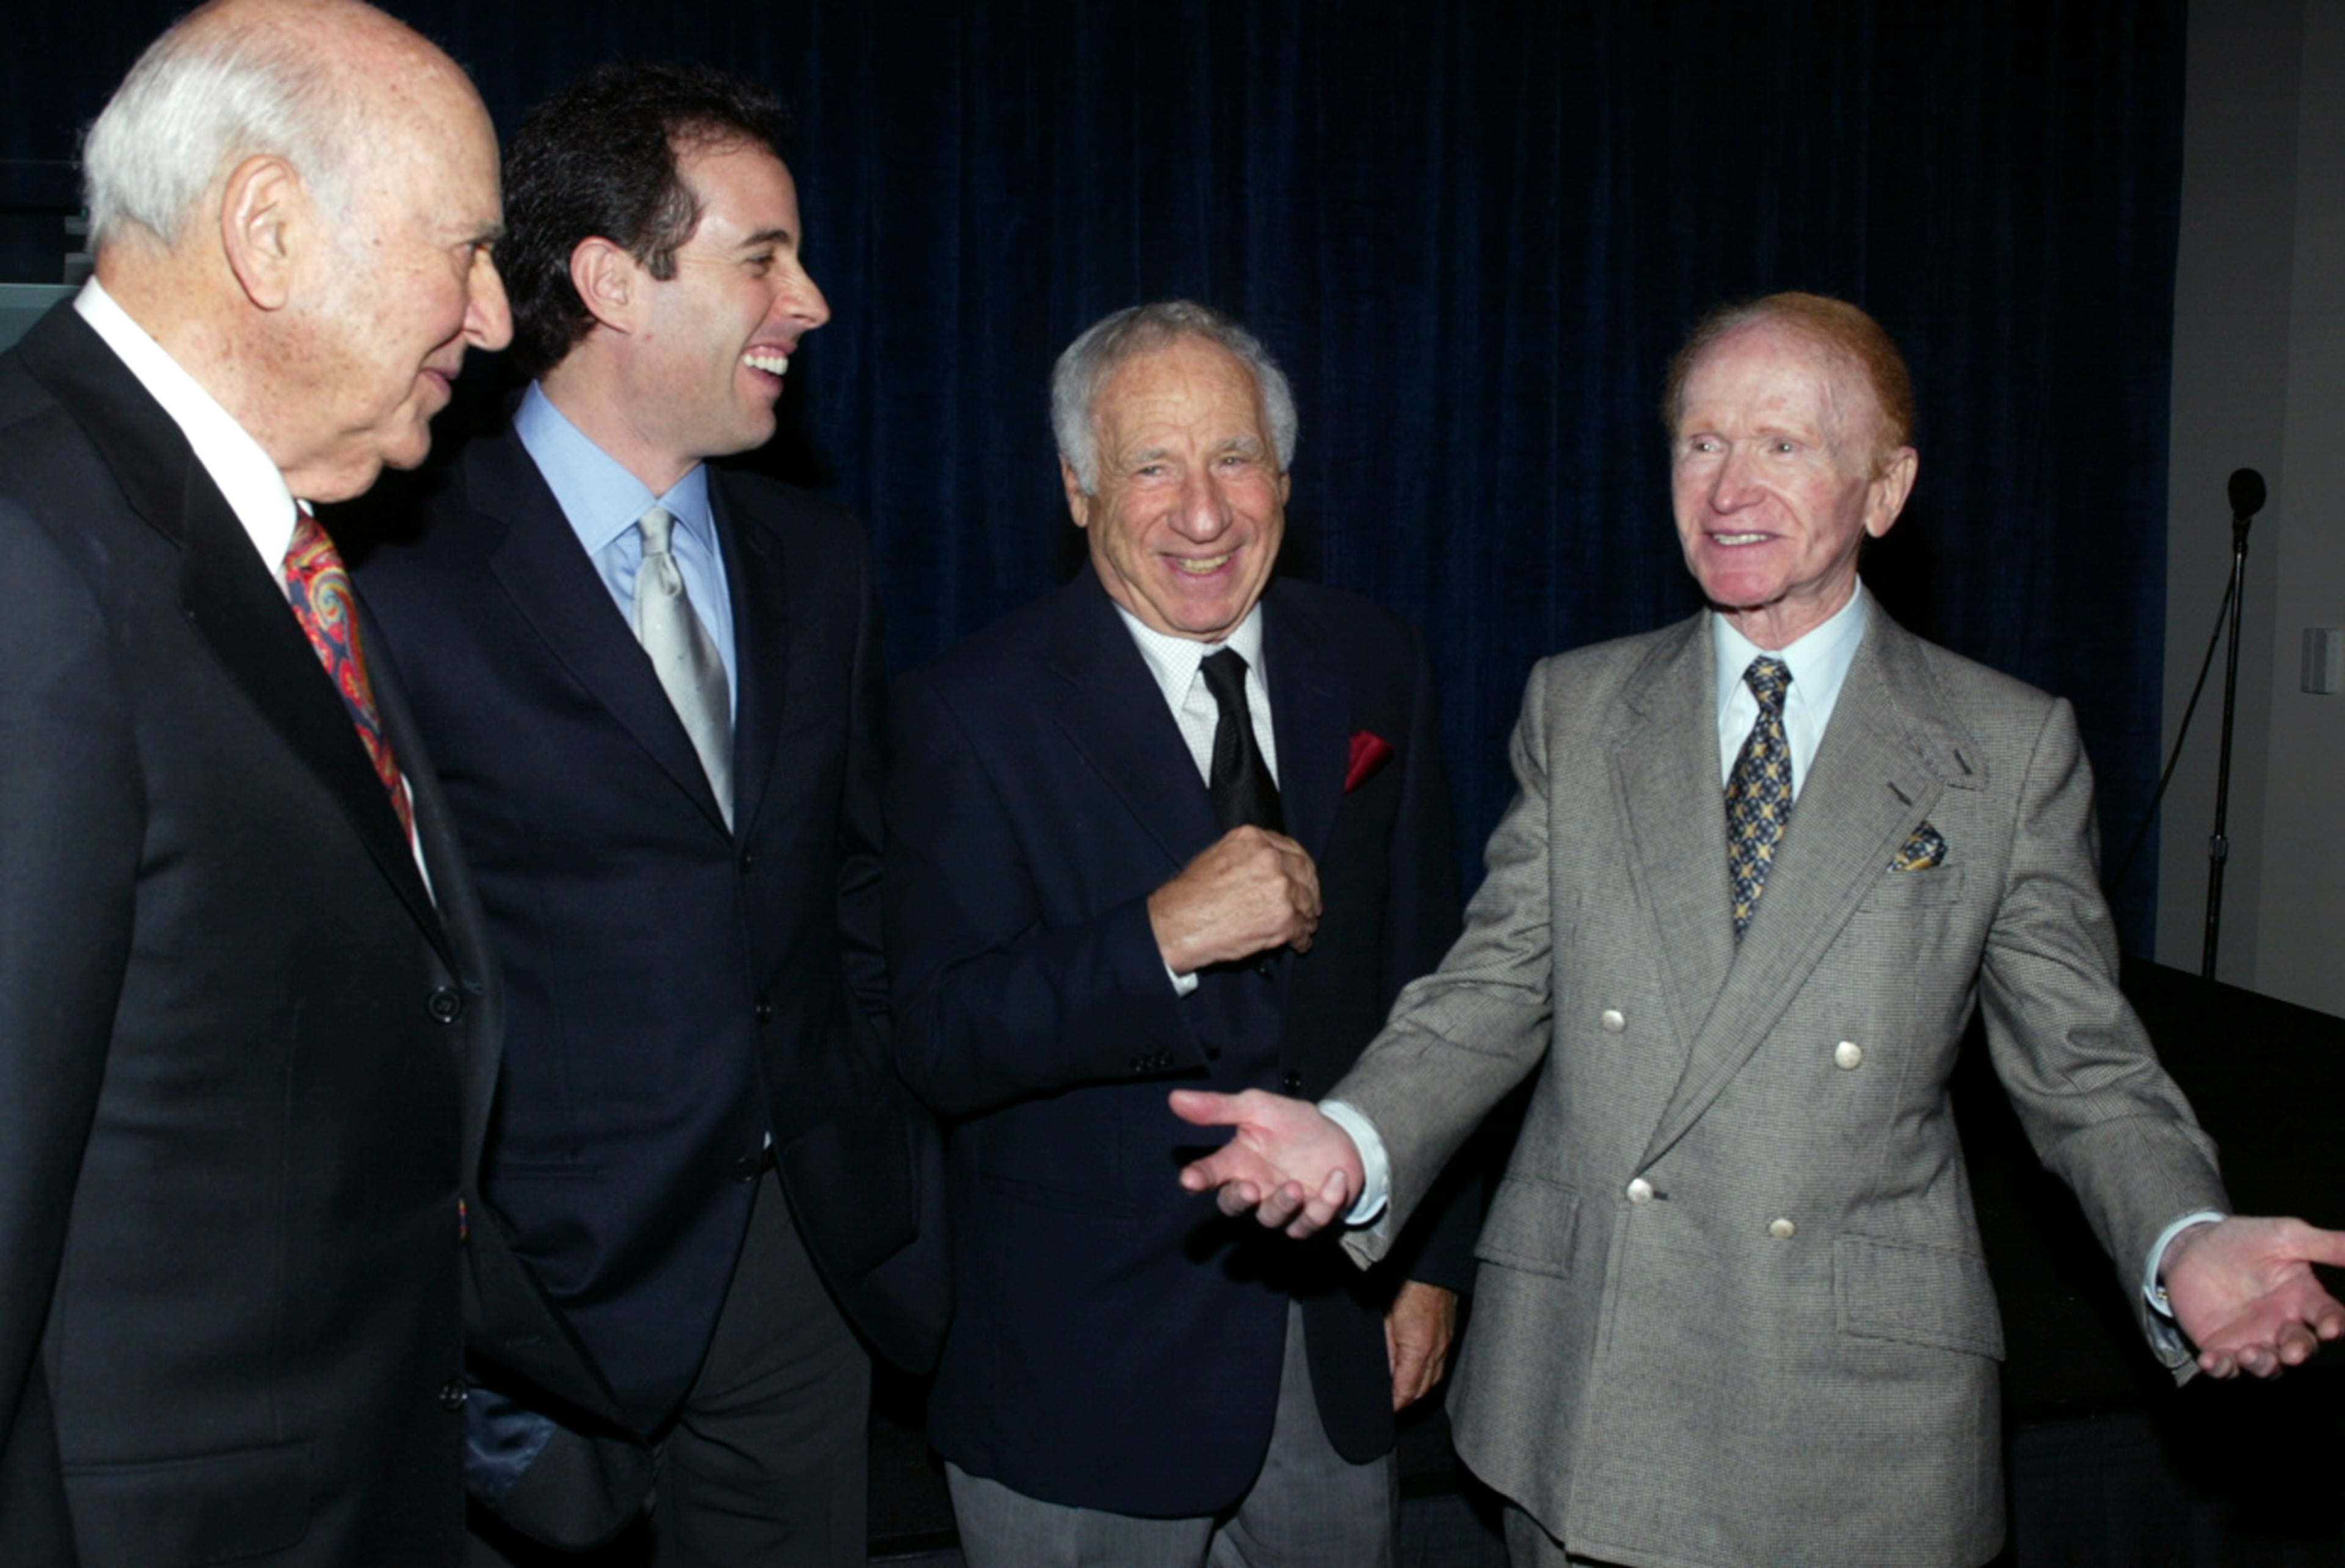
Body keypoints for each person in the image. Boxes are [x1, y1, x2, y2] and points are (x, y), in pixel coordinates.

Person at [1176, 292, 2345, 1568]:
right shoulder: (1581, 705)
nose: (1729, 487)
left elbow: (2085, 1070)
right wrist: (1356, 1132)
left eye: (1783, 446)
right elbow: (1494, 987)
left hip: (1854, 1412)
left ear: (1885, 488)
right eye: (1700, 442)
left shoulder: (2001, 750)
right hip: (1592, 1380)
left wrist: (2181, 1229)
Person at [351, 61, 944, 1567]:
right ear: (614, 280)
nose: (807, 301)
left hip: (799, 1272)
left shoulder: (826, 561)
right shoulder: (393, 575)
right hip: (535, 1317)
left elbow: (852, 893)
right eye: (764, 258)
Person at [0, 2, 512, 1563]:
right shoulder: (27, 550)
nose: (493, 318)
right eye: (468, 250)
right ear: (271, 232)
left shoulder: (262, 539)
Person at [887, 299, 1475, 1568]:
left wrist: (1428, 1259)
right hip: (1082, 1383)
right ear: (1079, 487)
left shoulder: (1374, 660)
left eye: (1234, 460)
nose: (1202, 515)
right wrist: (1155, 938)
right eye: (1153, 466)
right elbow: (935, 1038)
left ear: (1286, 475)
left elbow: (1437, 983)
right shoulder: (964, 712)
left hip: (1335, 1343)